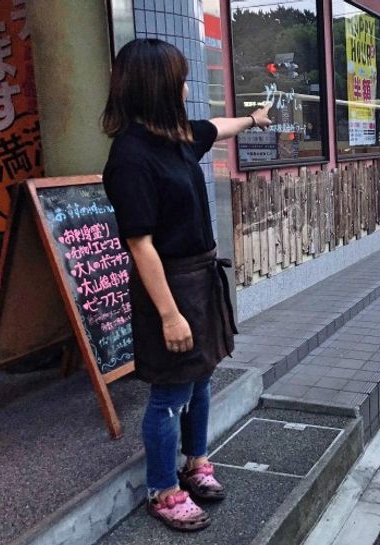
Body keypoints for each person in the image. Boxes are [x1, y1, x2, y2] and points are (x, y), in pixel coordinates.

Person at [101, 39, 272, 532]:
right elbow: (141, 246)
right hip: (170, 286)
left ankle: (195, 463)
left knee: (200, 380)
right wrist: (170, 314)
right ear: (158, 87)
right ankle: (163, 489)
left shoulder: (173, 137)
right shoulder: (130, 158)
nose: (186, 84)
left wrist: (254, 120)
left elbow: (216, 128)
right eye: (178, 77)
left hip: (200, 278)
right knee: (169, 395)